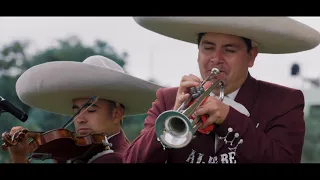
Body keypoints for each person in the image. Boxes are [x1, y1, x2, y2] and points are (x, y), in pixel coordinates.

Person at [123, 17, 320, 163]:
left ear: (251, 56)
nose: (216, 58)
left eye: (229, 50)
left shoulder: (284, 101)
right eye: (208, 48)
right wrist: (172, 116)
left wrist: (229, 118)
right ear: (198, 54)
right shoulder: (169, 99)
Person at [3, 55, 163, 163]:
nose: (80, 118)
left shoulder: (115, 158)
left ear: (117, 114)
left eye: (91, 110)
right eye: (76, 111)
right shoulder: (77, 153)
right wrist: (18, 157)